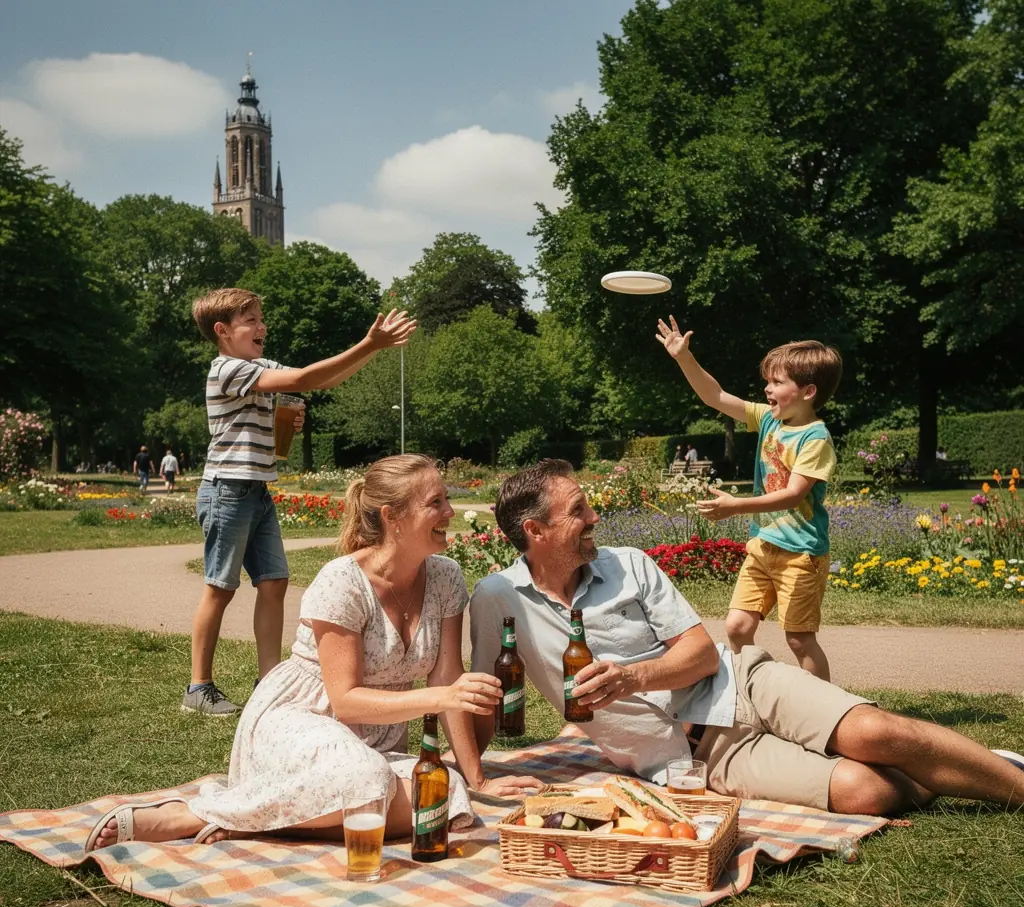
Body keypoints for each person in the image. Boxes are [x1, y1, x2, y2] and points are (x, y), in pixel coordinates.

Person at [468, 461, 1024, 816]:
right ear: (535, 532)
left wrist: (630, 676)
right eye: (578, 511)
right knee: (867, 791)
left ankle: (1003, 778)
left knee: (876, 729)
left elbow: (702, 653)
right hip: (699, 759)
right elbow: (487, 698)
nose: (595, 516)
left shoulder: (630, 564)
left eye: (589, 503)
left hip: (742, 685)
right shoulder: (497, 600)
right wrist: (469, 776)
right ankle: (947, 771)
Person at [85, 455, 540, 851]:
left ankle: (256, 825)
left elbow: (447, 679)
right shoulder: (341, 582)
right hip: (303, 717)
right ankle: (192, 815)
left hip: (375, 741)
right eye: (436, 502)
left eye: (447, 499)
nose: (450, 510)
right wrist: (440, 699)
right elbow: (346, 700)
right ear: (392, 517)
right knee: (367, 782)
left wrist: (477, 778)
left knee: (446, 796)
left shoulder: (445, 577)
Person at [184, 288, 418, 716]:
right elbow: (305, 379)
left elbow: (321, 379)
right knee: (220, 588)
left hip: (255, 488)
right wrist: (371, 342)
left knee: (273, 582)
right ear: (222, 331)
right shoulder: (227, 369)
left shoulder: (258, 366)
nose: (262, 326)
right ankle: (198, 688)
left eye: (260, 318)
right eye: (250, 320)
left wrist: (374, 350)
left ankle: (269, 681)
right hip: (227, 489)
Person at [657, 318, 841, 680]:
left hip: (801, 554)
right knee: (738, 628)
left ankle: (826, 708)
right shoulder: (770, 419)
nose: (766, 388)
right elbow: (716, 396)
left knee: (800, 639)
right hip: (763, 546)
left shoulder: (815, 438)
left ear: (808, 391)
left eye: (776, 381)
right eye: (767, 381)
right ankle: (754, 688)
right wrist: (683, 358)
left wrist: (735, 506)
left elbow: (792, 495)